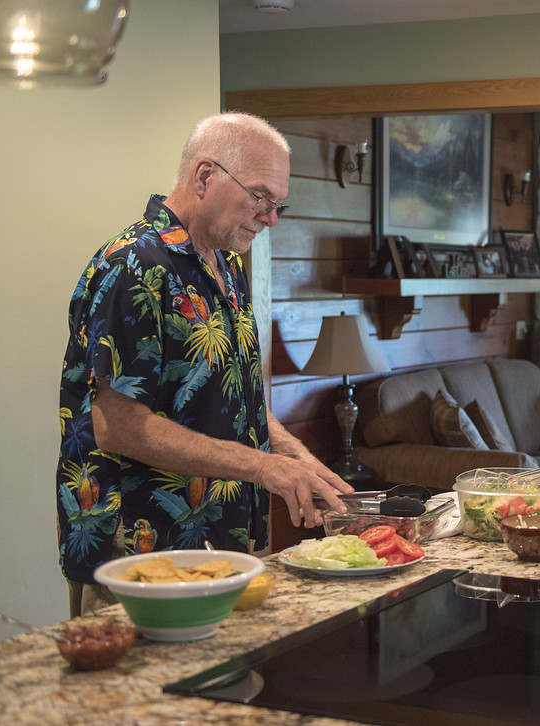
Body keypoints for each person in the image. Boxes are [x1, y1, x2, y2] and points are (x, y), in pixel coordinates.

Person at [57, 112, 354, 617]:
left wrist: (294, 455)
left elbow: (230, 399)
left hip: (223, 543)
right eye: (259, 196)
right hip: (140, 560)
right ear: (204, 176)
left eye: (278, 203)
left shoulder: (223, 264)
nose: (270, 217)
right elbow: (119, 429)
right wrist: (263, 467)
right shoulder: (135, 265)